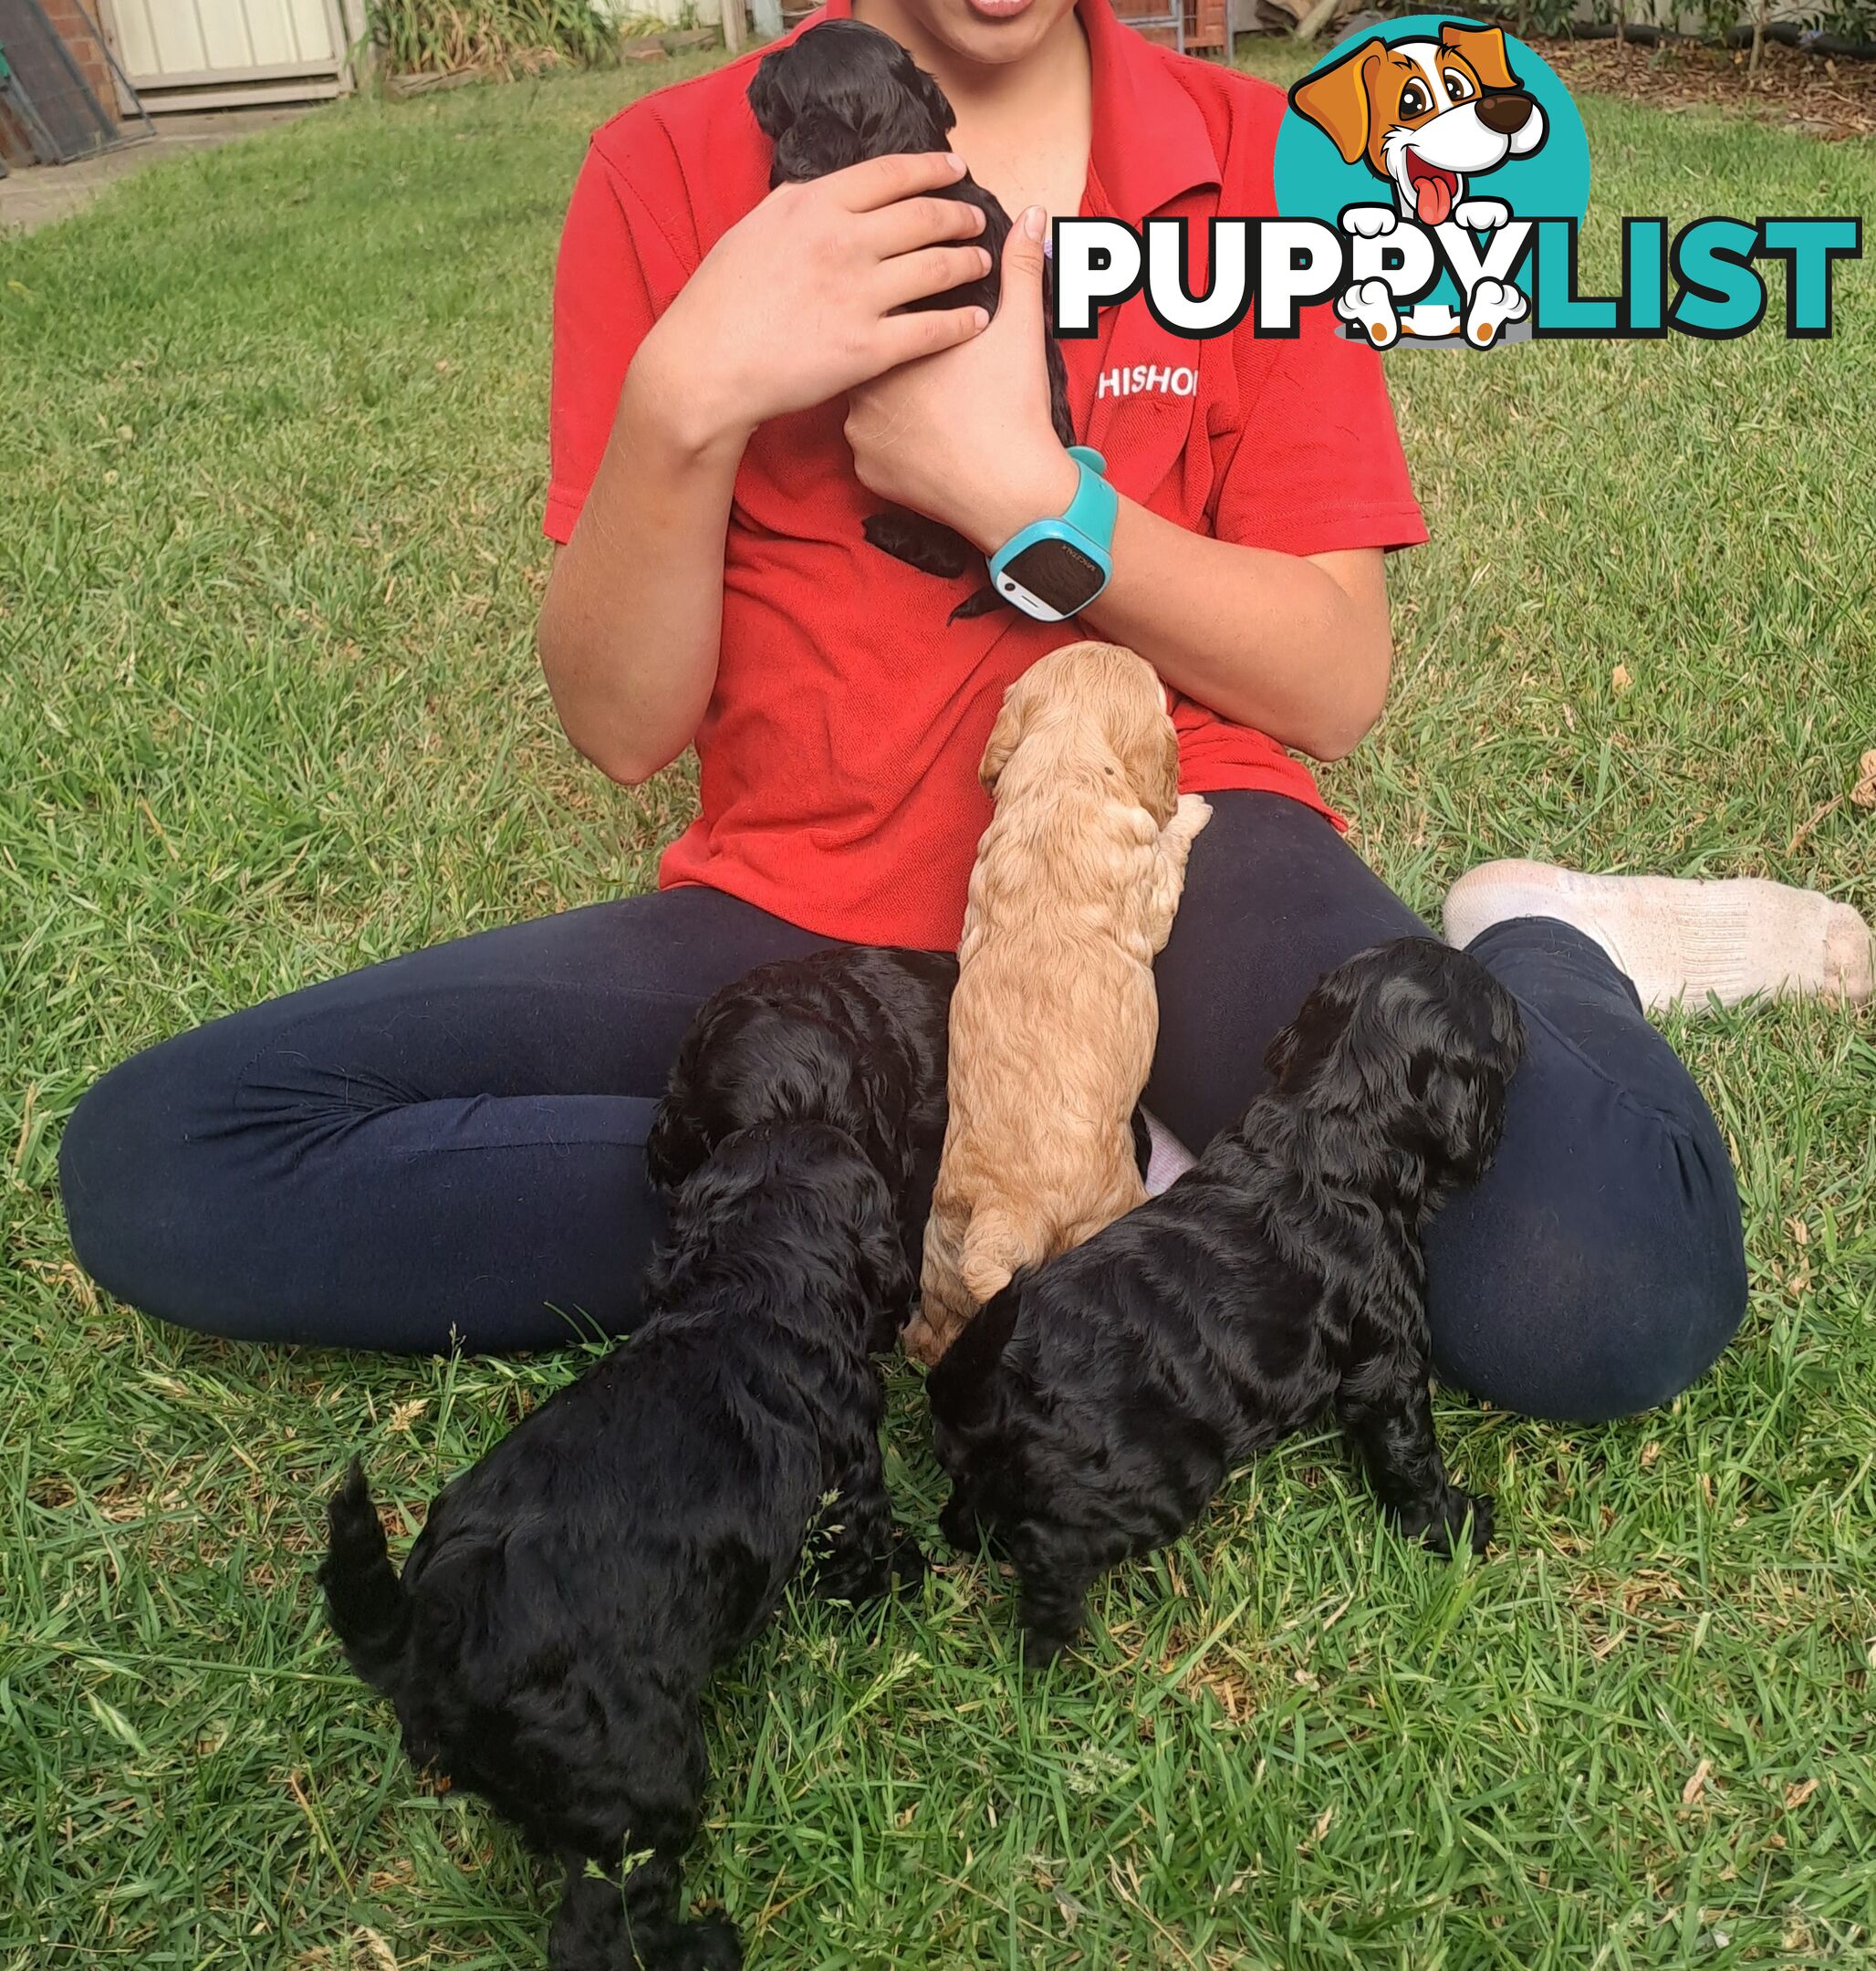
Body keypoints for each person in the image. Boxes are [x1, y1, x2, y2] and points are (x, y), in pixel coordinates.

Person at [58, 0, 1871, 1420]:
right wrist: (687, 391)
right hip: (790, 916)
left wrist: (1036, 504)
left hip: (1159, 864)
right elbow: (621, 727)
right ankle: (1050, 1177)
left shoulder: (1255, 161)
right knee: (170, 1163)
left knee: (1596, 1280)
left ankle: (1529, 933)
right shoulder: (667, 167)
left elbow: (1333, 673)